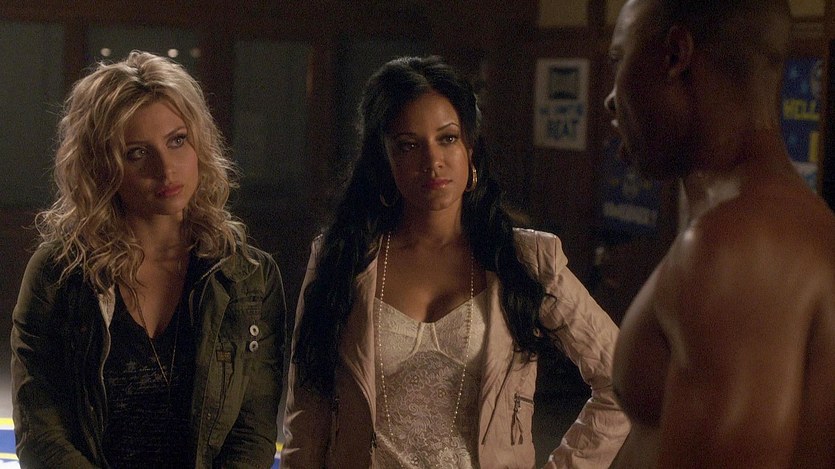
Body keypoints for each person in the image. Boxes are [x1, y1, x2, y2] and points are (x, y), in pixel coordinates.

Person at [281, 55, 629, 469]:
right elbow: (307, 412)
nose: (433, 161)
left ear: (470, 149)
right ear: (384, 159)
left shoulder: (524, 260)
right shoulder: (342, 259)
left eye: (447, 138)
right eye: (408, 145)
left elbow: (623, 380)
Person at [11, 51, 285, 468]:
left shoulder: (249, 277)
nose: (166, 169)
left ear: (200, 144)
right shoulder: (58, 273)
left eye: (177, 140)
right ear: (102, 166)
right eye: (138, 153)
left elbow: (253, 434)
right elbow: (41, 432)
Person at [604, 0, 835, 467]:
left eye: (619, 59)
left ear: (675, 55)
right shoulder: (762, 220)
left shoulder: (738, 243)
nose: (610, 98)